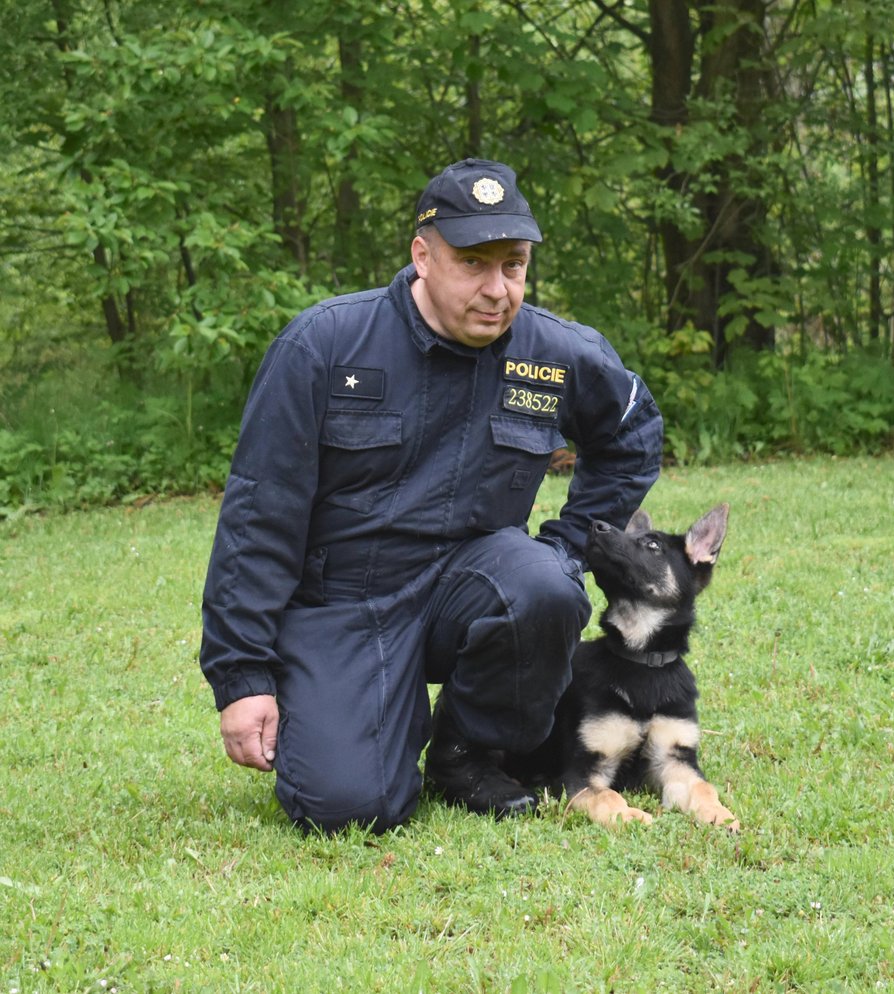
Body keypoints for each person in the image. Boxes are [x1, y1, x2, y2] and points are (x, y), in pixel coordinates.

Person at [199, 158, 663, 834]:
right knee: (350, 808)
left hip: (471, 581)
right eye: (474, 263)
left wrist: (570, 548)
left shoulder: (553, 351)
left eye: (514, 265)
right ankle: (371, 716)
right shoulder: (326, 346)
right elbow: (258, 517)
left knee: (545, 585)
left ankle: (467, 752)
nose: (497, 289)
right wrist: (242, 680)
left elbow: (631, 429)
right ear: (423, 255)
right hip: (346, 601)